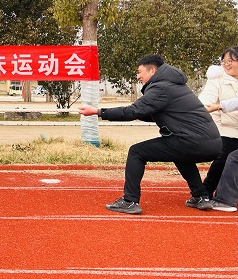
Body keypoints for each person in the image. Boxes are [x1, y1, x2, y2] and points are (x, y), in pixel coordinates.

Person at [79, 54, 221, 215]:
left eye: (139, 72)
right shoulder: (175, 85)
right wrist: (134, 113)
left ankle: (130, 201)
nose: (138, 76)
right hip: (212, 143)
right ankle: (201, 197)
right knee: (179, 154)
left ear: (152, 70)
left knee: (137, 152)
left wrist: (98, 112)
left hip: (191, 140)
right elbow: (147, 113)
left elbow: (133, 111)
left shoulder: (161, 87)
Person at [197, 47, 238, 198]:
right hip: (223, 128)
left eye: (231, 60)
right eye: (224, 61)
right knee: (225, 153)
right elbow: (205, 103)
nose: (227, 64)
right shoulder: (216, 82)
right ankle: (205, 191)